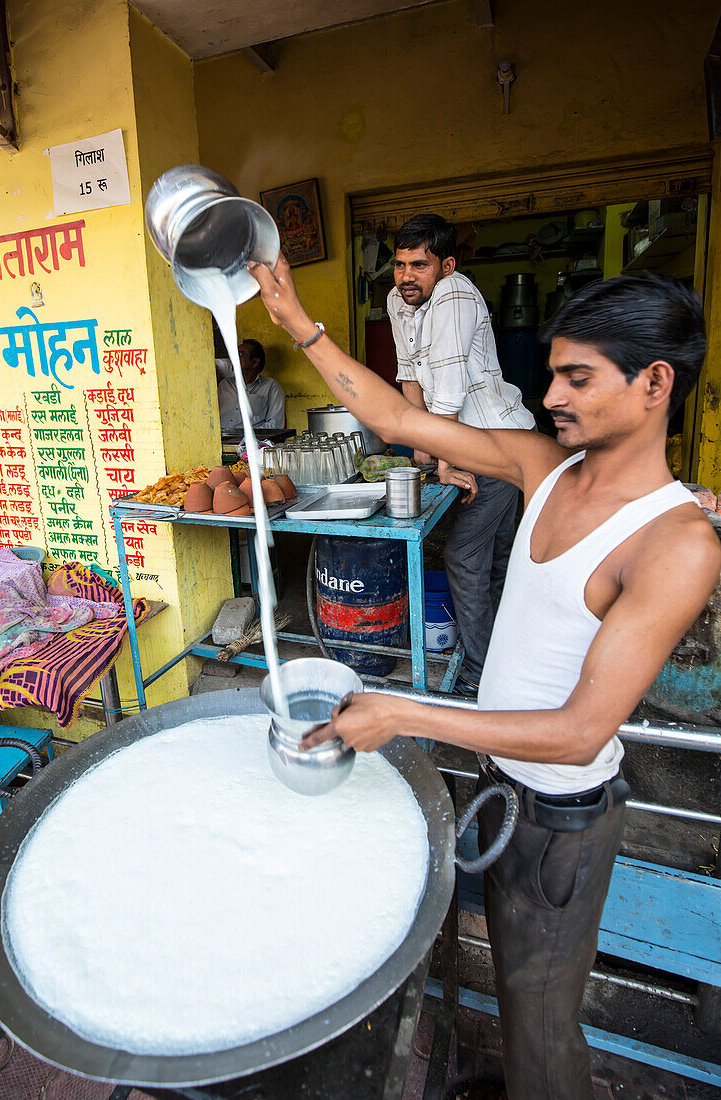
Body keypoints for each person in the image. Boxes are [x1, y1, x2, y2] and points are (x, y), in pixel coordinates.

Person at [249, 254, 720, 1100]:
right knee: (506, 988)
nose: (552, 398)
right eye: (552, 377)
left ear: (654, 382)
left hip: (560, 825)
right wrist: (293, 320)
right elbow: (395, 415)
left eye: (577, 378)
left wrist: (404, 714)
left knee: (539, 1029)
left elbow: (581, 732)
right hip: (500, 782)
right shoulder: (545, 468)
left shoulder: (673, 542)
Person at [387, 214, 535, 698]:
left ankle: (479, 674)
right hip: (468, 442)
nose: (407, 276)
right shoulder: (399, 301)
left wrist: (445, 458)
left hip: (499, 444)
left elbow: (447, 385)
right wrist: (422, 454)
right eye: (400, 264)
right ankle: (502, 657)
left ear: (446, 265)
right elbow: (411, 381)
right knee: (496, 556)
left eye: (420, 265)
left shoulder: (453, 291)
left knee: (464, 554)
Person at [215, 328, 285, 433]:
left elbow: (275, 425)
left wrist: (246, 438)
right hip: (220, 443)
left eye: (240, 354)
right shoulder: (224, 385)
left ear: (255, 362)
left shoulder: (271, 387)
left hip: (252, 445)